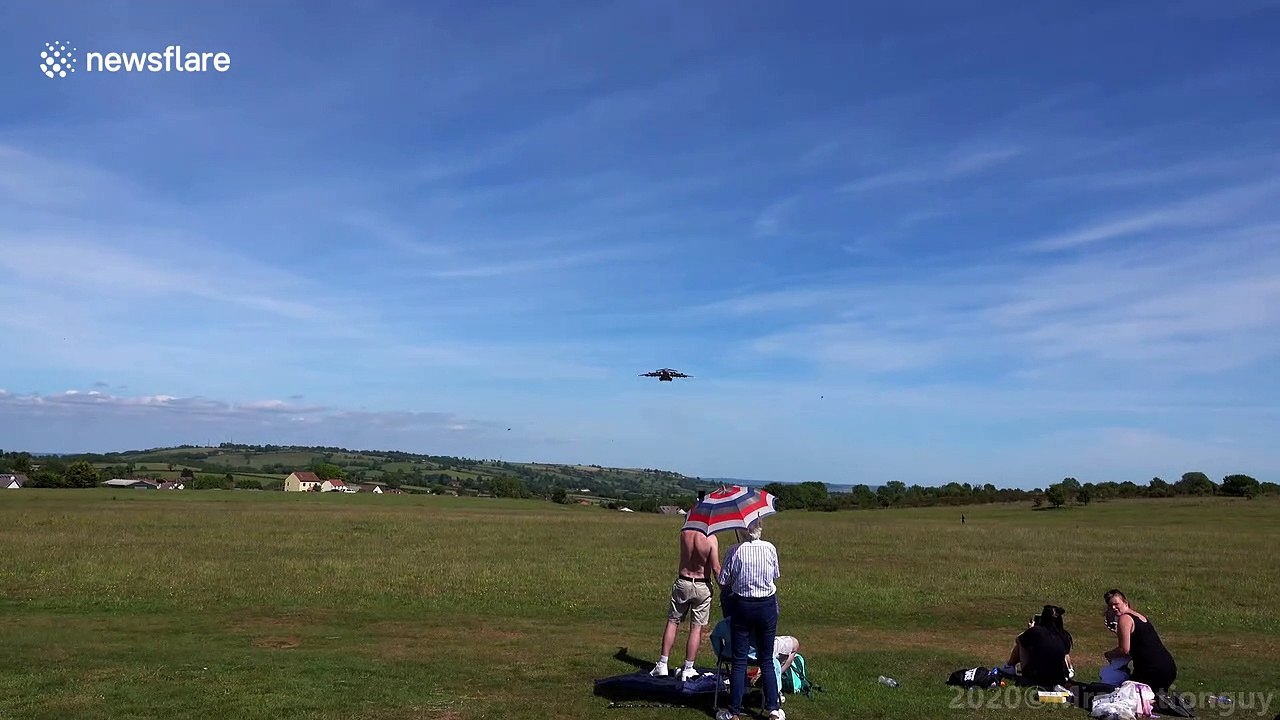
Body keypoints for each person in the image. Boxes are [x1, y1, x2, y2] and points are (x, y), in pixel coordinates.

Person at [716, 520, 783, 720]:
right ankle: (773, 709)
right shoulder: (770, 548)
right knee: (766, 658)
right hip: (767, 605)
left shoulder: (734, 550)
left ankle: (734, 712)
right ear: (759, 529)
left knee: (739, 660)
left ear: (742, 530)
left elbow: (723, 580)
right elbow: (775, 575)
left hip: (743, 605)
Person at [650, 525, 720, 681]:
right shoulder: (711, 538)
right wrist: (724, 589)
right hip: (702, 583)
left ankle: (662, 662)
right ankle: (688, 667)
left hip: (683, 581)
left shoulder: (685, 533)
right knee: (696, 627)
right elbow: (715, 567)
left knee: (673, 621)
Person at [1103, 589, 1177, 691]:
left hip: (1152, 669)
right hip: (1167, 667)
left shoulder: (1125, 619)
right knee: (1152, 701)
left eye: (1116, 604)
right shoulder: (1138, 616)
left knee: (1126, 697)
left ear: (1125, 603)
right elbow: (1139, 642)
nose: (1114, 608)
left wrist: (1109, 654)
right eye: (1110, 606)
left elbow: (1124, 649)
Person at [1000, 604, 1074, 689]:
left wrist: (1030, 630)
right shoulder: (1064, 635)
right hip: (1058, 678)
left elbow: (1019, 640)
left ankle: (1009, 666)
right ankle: (1070, 669)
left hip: (1036, 676)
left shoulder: (1037, 631)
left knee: (1022, 642)